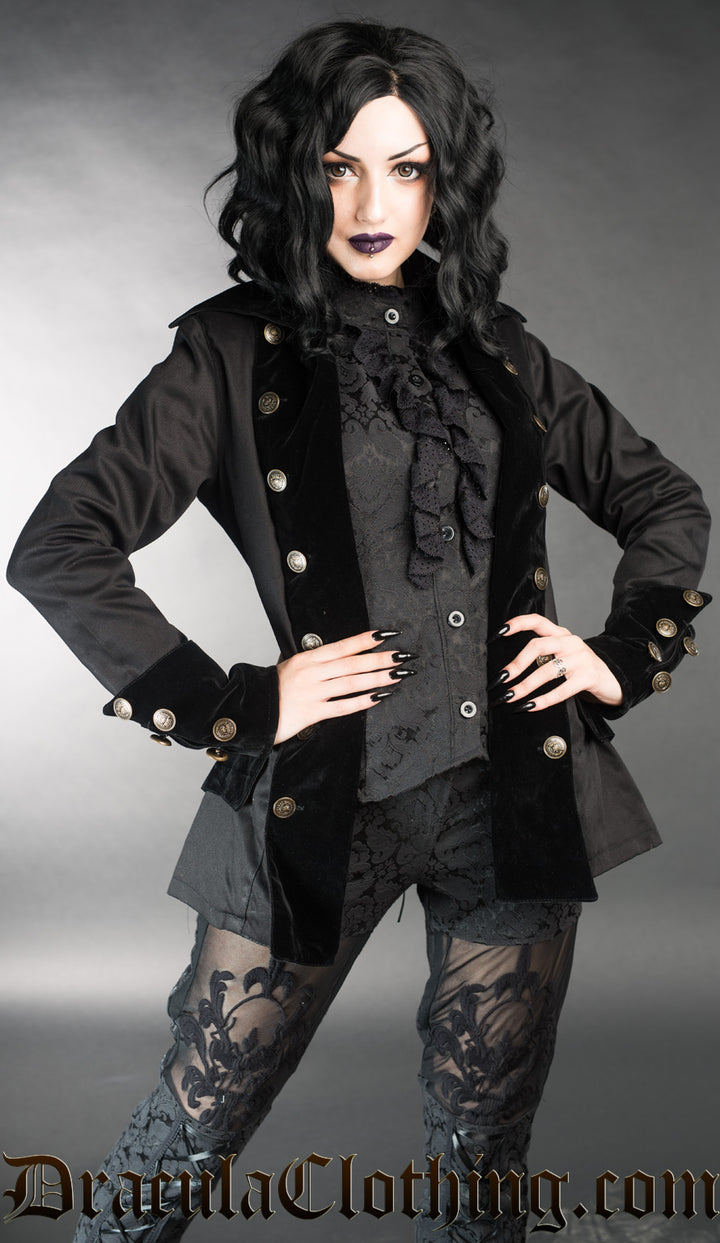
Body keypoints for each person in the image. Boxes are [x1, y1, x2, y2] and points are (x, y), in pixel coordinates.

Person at [6, 18, 711, 1242]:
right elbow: (59, 544)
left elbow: (664, 500)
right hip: (324, 795)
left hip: (510, 797)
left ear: (446, 180)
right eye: (341, 166)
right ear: (296, 167)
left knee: (481, 1153)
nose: (375, 205)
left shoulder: (498, 347)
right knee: (193, 1124)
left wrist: (617, 655)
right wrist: (240, 701)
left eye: (408, 167)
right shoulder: (230, 353)